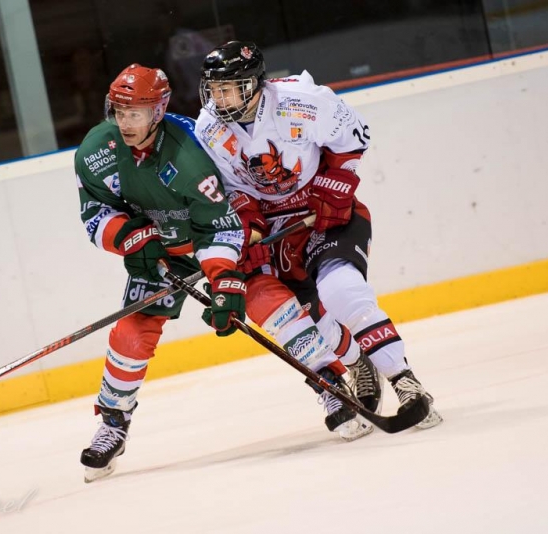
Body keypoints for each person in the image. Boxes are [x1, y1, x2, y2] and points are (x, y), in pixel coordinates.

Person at [74, 64, 374, 483]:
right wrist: (128, 238)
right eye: (119, 112)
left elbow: (221, 221)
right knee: (131, 332)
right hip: (161, 249)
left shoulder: (190, 154)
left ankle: (329, 382)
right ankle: (112, 424)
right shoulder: (95, 151)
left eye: (136, 114)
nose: (125, 123)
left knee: (267, 299)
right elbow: (95, 212)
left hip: (218, 235)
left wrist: (224, 280)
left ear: (158, 111)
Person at [193, 41, 443, 431]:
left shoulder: (302, 100)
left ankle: (405, 381)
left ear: (256, 84)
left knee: (341, 289)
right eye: (214, 89)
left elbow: (354, 138)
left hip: (321, 213)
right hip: (277, 229)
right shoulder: (208, 127)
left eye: (230, 88)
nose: (219, 98)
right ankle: (360, 363)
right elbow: (231, 187)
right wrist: (251, 223)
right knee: (308, 315)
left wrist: (333, 188)